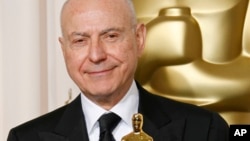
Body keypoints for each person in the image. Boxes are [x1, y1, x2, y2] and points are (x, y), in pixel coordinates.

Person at [7, 0, 229, 141]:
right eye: (80, 40)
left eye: (110, 36)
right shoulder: (25, 138)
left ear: (139, 39)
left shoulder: (204, 130)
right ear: (64, 49)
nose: (96, 55)